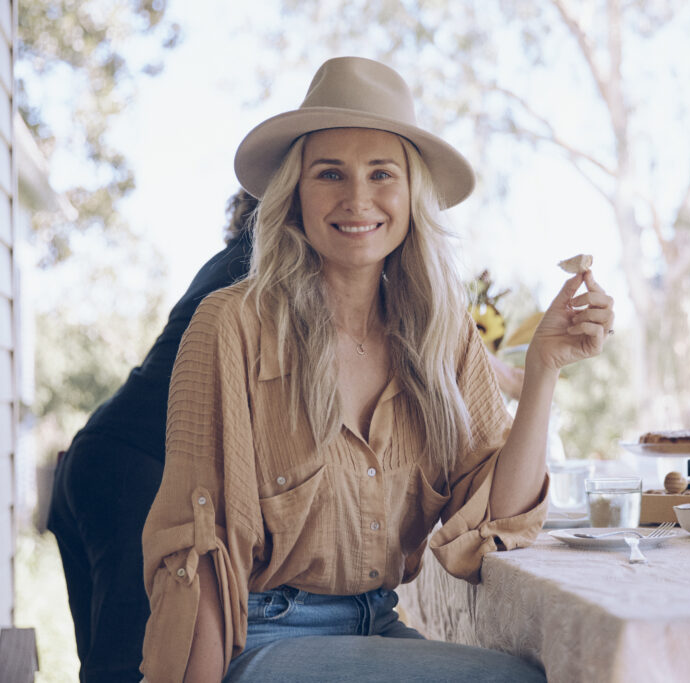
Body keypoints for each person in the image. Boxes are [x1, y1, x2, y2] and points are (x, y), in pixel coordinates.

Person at [139, 56, 615, 683]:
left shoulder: (442, 335)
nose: (356, 199)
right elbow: (198, 545)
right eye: (330, 173)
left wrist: (546, 368)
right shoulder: (232, 325)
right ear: (296, 196)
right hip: (261, 637)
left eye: (380, 174)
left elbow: (497, 513)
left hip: (378, 624)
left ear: (411, 194)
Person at [46, 189, 258, 682]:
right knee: (126, 666)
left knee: (106, 666)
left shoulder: (228, 260)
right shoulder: (264, 267)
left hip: (94, 458)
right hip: (133, 472)